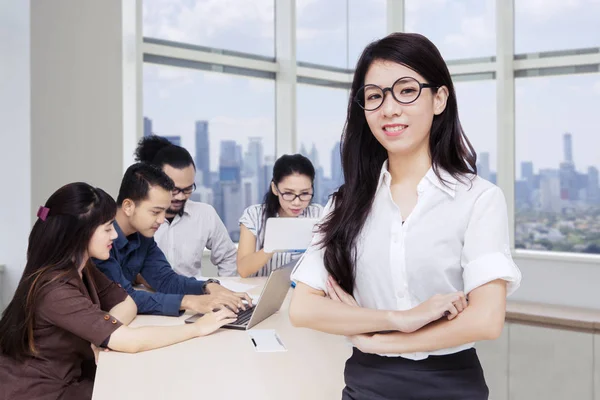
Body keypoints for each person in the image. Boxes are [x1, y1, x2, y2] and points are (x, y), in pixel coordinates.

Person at [288, 32, 522, 400]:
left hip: (450, 386)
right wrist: (398, 320)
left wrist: (385, 343)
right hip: (366, 385)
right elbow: (303, 308)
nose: (389, 108)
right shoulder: (346, 204)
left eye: (407, 90)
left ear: (439, 98)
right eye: (374, 96)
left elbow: (486, 320)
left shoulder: (479, 199)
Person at [0, 183, 236, 400]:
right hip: (41, 391)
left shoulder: (83, 268)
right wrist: (198, 327)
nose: (114, 235)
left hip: (72, 377)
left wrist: (103, 334)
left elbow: (128, 302)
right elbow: (129, 341)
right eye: (106, 229)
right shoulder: (55, 289)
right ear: (80, 234)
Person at [95, 163, 252, 317]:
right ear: (128, 206)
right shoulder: (99, 240)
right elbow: (123, 297)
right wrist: (190, 302)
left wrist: (207, 286)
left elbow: (166, 280)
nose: (162, 219)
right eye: (156, 212)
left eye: (164, 211)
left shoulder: (143, 236)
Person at [135, 135, 238, 277]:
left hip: (193, 295)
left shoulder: (204, 214)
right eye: (174, 189)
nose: (181, 196)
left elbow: (229, 257)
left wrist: (222, 289)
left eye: (188, 189)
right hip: (148, 296)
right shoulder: (136, 217)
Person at [237, 154, 322, 278]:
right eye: (288, 193)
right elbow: (243, 270)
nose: (297, 202)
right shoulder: (254, 215)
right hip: (260, 290)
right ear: (275, 189)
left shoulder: (319, 214)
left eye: (305, 193)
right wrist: (273, 245)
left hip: (303, 292)